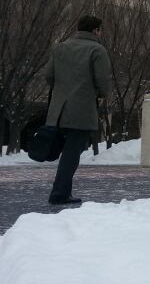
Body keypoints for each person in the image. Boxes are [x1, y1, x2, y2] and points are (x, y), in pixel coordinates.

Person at [43, 15, 113, 205]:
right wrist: (98, 94)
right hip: (81, 109)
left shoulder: (61, 47)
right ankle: (59, 193)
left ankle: (61, 191)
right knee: (72, 153)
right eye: (101, 30)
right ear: (96, 30)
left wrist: (62, 89)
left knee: (67, 150)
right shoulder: (97, 50)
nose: (101, 33)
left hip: (58, 110)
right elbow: (103, 83)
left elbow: (48, 76)